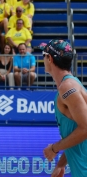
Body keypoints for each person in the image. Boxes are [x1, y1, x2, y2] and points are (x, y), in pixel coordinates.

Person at [40, 40, 87, 177]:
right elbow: (77, 134)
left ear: (49, 58)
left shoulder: (67, 87)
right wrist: (61, 164)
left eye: (44, 55)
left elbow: (85, 129)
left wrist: (54, 149)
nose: (43, 59)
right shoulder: (72, 84)